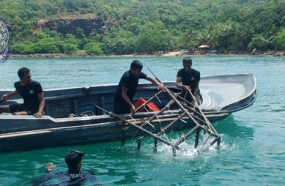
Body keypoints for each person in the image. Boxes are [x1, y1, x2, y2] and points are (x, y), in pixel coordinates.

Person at [33, 150, 97, 186]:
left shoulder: (59, 174)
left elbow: (36, 182)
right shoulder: (86, 174)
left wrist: (48, 171)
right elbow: (97, 184)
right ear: (79, 164)